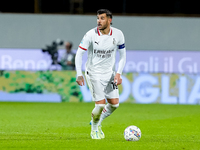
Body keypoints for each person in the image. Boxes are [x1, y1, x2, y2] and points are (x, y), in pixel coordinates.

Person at [75, 9, 126, 139]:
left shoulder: (118, 34)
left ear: (110, 20)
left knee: (114, 104)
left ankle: (97, 120)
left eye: (102, 18)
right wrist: (78, 73)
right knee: (100, 104)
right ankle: (94, 129)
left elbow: (123, 55)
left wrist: (118, 73)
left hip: (109, 74)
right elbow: (79, 53)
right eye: (98, 18)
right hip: (94, 73)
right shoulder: (90, 35)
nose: (99, 21)